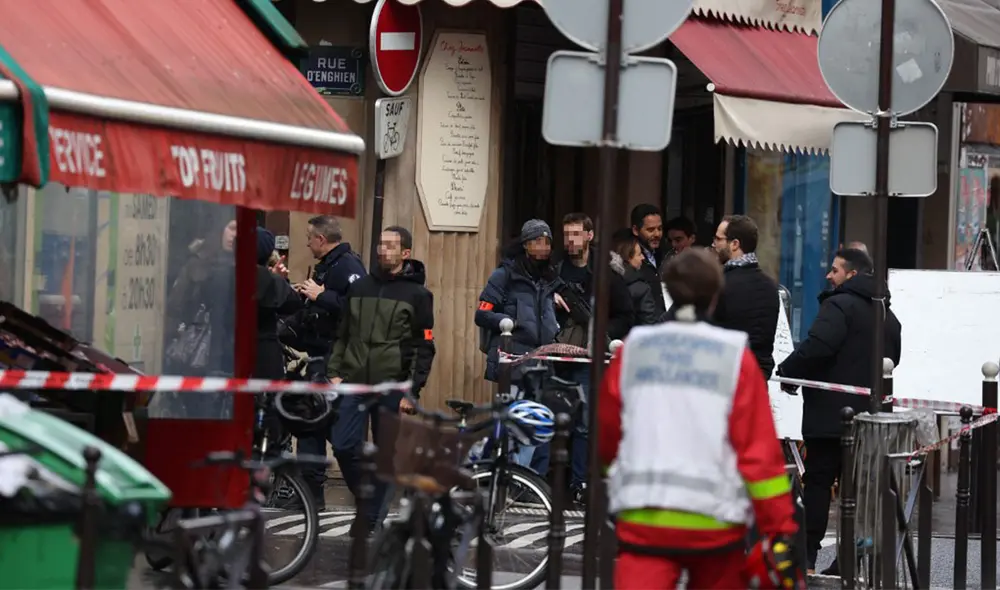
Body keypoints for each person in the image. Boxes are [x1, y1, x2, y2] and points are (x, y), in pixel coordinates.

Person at [598, 249, 800, 589]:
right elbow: (760, 456)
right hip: (716, 523)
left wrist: (614, 477)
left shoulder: (634, 350)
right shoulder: (735, 356)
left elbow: (608, 434)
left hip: (645, 517)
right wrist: (779, 527)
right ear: (716, 294)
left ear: (669, 291)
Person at [776, 247, 902, 573]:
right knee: (858, 489)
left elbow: (818, 346)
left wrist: (788, 372)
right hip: (869, 418)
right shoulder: (888, 315)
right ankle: (848, 561)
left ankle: (806, 557)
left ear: (852, 274)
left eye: (835, 270)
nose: (829, 275)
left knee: (818, 483)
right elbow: (894, 359)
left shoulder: (838, 305)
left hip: (830, 417)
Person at [327, 226, 435, 532]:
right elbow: (343, 333)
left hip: (393, 385)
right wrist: (334, 371)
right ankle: (368, 499)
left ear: (405, 253)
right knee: (344, 445)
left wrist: (412, 391)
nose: (382, 249)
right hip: (354, 380)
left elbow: (424, 346)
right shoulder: (359, 287)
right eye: (380, 244)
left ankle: (371, 517)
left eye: (390, 245)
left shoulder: (419, 295)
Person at [554, 212, 632, 503]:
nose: (570, 240)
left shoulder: (606, 273)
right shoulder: (557, 270)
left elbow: (626, 315)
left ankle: (579, 483)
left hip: (591, 356)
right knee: (556, 419)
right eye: (566, 234)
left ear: (589, 235)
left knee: (586, 423)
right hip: (559, 354)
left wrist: (601, 333)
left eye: (576, 234)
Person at [291, 215, 367, 509]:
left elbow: (360, 311)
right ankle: (311, 497)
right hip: (319, 358)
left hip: (338, 362)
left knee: (341, 434)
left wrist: (323, 296)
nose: (307, 243)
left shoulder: (348, 266)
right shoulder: (329, 266)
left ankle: (366, 497)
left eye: (309, 237)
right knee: (310, 425)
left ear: (321, 240)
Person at [475, 219, 561, 476]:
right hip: (513, 360)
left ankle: (531, 481)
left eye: (546, 242)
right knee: (514, 423)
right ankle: (509, 477)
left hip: (542, 362)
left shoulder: (550, 278)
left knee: (539, 425)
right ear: (525, 245)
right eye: (537, 242)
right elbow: (482, 313)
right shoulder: (505, 275)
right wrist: (508, 322)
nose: (543, 248)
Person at [712, 215, 779, 378]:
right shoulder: (770, 287)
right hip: (759, 379)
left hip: (726, 378)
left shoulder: (719, 285)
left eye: (718, 239)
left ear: (734, 244)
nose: (714, 244)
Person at [254, 228, 301, 380]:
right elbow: (293, 304)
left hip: (227, 353)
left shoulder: (226, 274)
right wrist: (279, 280)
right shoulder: (272, 281)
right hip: (265, 353)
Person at [610, 228, 658, 326]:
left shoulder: (606, 280)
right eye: (639, 254)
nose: (643, 258)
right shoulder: (641, 288)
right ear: (628, 258)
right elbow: (648, 324)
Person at [629, 204, 667, 315]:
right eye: (650, 230)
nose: (657, 234)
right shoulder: (631, 258)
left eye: (660, 229)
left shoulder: (665, 253)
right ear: (636, 230)